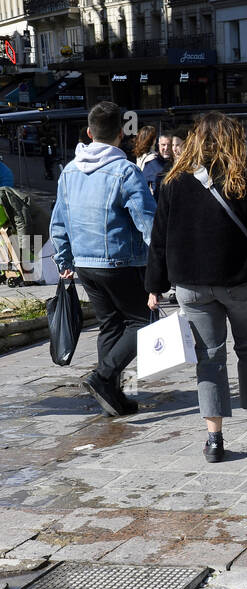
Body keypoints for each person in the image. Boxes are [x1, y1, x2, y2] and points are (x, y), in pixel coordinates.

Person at [146, 111, 247, 461]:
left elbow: (158, 238)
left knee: (209, 358)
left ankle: (215, 438)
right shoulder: (245, 178)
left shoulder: (172, 181)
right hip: (239, 280)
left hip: (191, 283)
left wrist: (154, 286)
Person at [50, 101, 156, 418]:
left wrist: (64, 259)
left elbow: (59, 220)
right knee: (141, 323)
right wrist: (162, 262)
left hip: (84, 264)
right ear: (121, 135)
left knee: (110, 326)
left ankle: (113, 395)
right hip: (119, 262)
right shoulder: (125, 171)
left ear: (88, 132)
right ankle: (104, 377)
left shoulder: (69, 171)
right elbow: (147, 221)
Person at [141, 132, 173, 199]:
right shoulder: (150, 165)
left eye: (169, 145)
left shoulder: (178, 164)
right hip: (157, 206)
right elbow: (142, 190)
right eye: (163, 145)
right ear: (158, 145)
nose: (166, 148)